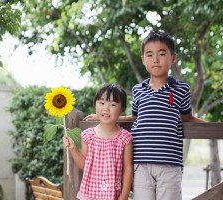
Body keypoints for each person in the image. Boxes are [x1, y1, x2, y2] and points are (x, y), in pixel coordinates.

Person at [85, 30, 205, 200]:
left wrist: (215, 127)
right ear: (143, 59)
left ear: (173, 57)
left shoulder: (181, 89)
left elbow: (187, 117)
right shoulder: (138, 90)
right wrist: (102, 116)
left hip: (170, 162)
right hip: (140, 161)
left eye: (162, 54)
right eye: (149, 55)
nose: (155, 59)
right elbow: (134, 118)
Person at [63, 83, 133, 200]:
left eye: (113, 104)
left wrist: (124, 196)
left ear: (122, 109)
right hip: (90, 194)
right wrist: (73, 149)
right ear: (95, 105)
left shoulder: (125, 138)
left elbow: (128, 168)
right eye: (102, 103)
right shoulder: (88, 135)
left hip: (113, 195)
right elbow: (84, 165)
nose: (106, 108)